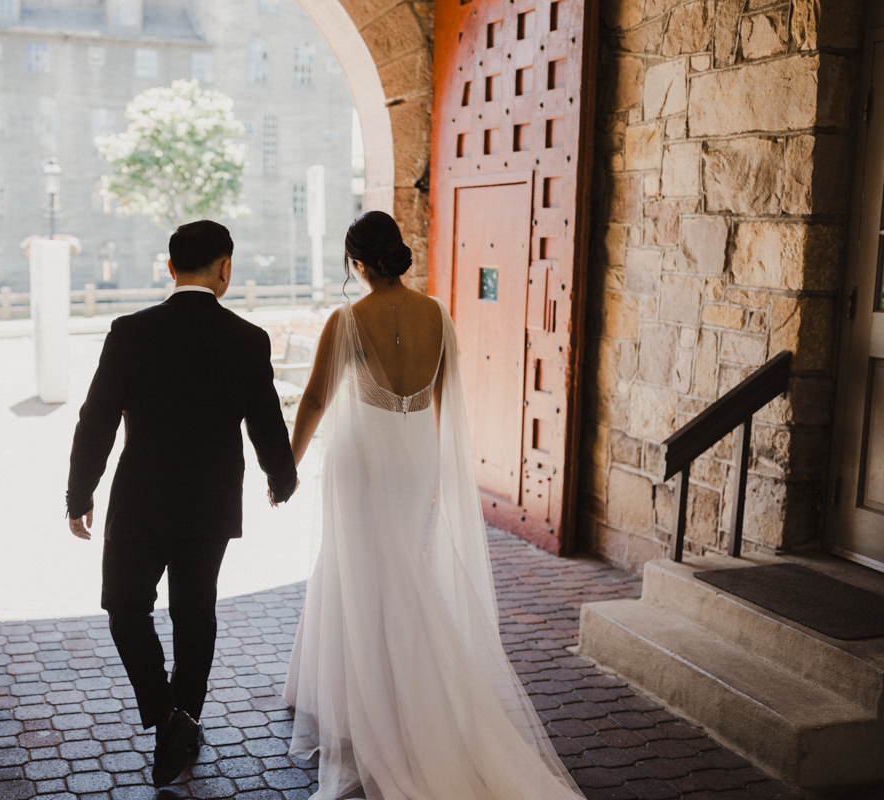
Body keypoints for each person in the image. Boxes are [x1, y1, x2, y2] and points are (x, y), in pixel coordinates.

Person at [283, 211, 584, 799]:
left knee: (360, 567)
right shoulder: (439, 314)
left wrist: (287, 466)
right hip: (416, 455)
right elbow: (448, 397)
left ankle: (373, 703)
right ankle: (359, 686)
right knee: (399, 565)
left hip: (363, 460)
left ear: (358, 263)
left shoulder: (347, 319)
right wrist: (442, 468)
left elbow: (317, 396)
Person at [66, 220, 298, 788]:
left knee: (125, 607)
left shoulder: (129, 332)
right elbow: (266, 420)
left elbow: (95, 421)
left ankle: (164, 711)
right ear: (225, 270)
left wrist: (80, 494)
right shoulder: (248, 338)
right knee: (195, 610)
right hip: (211, 502)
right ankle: (182, 716)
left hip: (140, 501)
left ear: (170, 268)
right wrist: (281, 477)